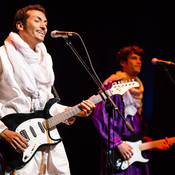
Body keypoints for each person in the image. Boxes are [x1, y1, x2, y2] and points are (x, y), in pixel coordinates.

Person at [0, 4, 95, 175]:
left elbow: (46, 103)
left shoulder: (45, 59)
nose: (44, 26)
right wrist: (3, 132)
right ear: (20, 26)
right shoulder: (2, 56)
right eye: (38, 21)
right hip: (17, 142)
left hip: (47, 138)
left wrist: (72, 111)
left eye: (45, 22)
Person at [92, 45, 171, 175]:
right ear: (123, 62)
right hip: (118, 153)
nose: (139, 61)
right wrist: (117, 143)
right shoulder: (114, 85)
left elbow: (134, 127)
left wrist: (151, 144)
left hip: (135, 154)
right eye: (134, 58)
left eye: (140, 58)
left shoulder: (138, 90)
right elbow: (99, 115)